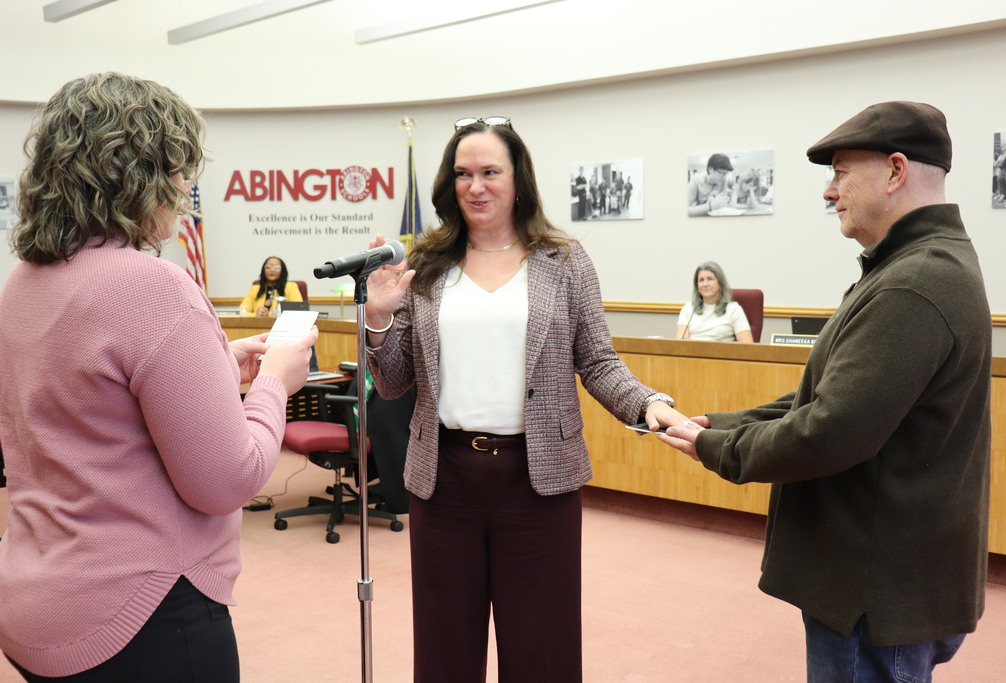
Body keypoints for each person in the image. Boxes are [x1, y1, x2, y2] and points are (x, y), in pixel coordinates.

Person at [0, 72, 317, 682]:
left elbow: (92, 405)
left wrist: (217, 364)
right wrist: (276, 380)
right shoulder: (153, 286)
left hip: (37, 595)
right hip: (141, 614)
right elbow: (227, 482)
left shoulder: (23, 282)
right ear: (133, 175)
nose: (182, 186)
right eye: (175, 169)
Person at [661, 101, 991, 682]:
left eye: (840, 171)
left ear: (894, 171)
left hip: (874, 588)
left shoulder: (914, 283)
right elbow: (830, 396)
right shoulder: (910, 268)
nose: (828, 191)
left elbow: (831, 430)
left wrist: (719, 450)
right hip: (884, 579)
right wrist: (724, 425)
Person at [362, 116, 686, 682]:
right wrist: (378, 320)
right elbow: (392, 383)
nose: (476, 186)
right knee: (445, 651)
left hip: (538, 482)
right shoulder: (427, 265)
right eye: (463, 173)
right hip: (444, 479)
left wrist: (649, 404)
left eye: (491, 171)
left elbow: (598, 360)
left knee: (542, 650)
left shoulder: (564, 261)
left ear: (518, 180)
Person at [674, 261, 753, 342]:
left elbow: (747, 346)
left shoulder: (734, 309)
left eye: (710, 279)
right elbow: (680, 345)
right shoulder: (688, 309)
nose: (705, 284)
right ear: (697, 286)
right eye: (701, 280)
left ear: (720, 283)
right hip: (693, 353)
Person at [239, 256, 303, 316]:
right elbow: (241, 312)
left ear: (283, 271)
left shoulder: (291, 287)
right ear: (263, 271)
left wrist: (268, 315)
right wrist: (256, 315)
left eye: (277, 268)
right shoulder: (255, 288)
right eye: (268, 267)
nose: (272, 270)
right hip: (258, 325)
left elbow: (297, 313)